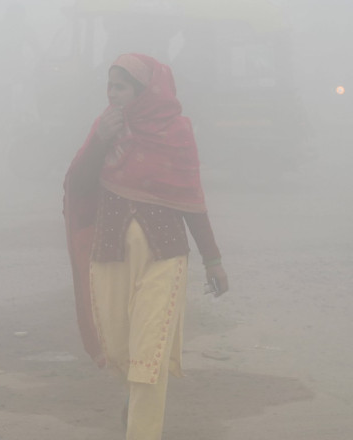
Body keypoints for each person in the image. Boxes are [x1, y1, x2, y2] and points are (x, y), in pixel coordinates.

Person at [63, 53, 229, 440]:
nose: (113, 94)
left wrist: (213, 259)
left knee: (148, 354)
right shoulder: (105, 129)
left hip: (164, 256)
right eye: (110, 86)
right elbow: (80, 185)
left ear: (144, 92)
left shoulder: (177, 132)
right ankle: (132, 398)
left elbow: (193, 200)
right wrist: (100, 142)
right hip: (110, 253)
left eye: (121, 87)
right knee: (120, 350)